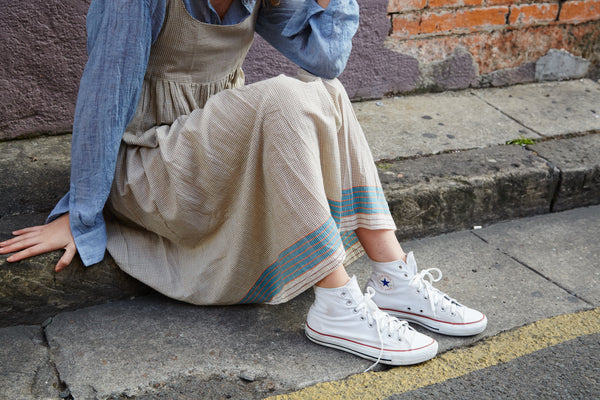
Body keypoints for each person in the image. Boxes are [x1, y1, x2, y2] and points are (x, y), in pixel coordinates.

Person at [0, 0, 486, 368]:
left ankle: (391, 275)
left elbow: (327, 60)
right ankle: (335, 302)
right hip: (148, 165)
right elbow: (104, 93)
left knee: (327, 92)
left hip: (214, 156)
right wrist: (81, 214)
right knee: (280, 96)